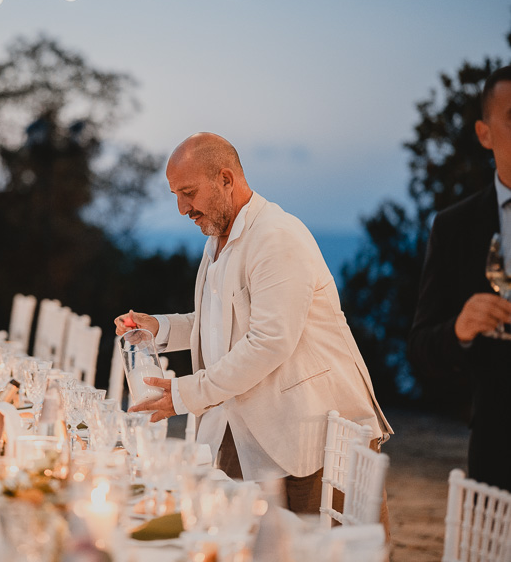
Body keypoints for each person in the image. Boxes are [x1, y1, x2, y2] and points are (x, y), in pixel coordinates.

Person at [115, 132, 392, 515]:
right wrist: (158, 327)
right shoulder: (218, 242)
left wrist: (185, 394)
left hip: (312, 441)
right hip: (248, 437)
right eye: (176, 194)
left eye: (189, 192)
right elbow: (218, 321)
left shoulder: (276, 236)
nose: (182, 208)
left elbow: (269, 341)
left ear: (226, 180)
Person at [409, 65, 511, 492]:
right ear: (485, 134)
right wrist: (460, 329)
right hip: (498, 454)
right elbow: (421, 350)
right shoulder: (456, 228)